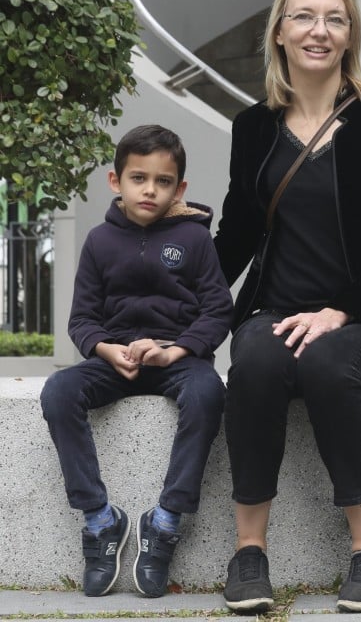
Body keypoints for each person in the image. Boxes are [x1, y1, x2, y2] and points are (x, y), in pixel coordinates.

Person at [213, 0, 361, 615]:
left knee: (329, 359)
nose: (320, 30)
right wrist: (181, 303)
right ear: (280, 32)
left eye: (334, 18)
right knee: (252, 357)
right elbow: (236, 236)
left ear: (349, 35)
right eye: (305, 17)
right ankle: (249, 551)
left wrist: (340, 311)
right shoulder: (254, 126)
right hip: (278, 316)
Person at [40, 124, 232, 598]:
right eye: (138, 178)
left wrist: (176, 349)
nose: (150, 190)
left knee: (209, 393)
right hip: (115, 360)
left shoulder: (194, 240)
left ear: (179, 188)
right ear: (115, 181)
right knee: (59, 391)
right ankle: (100, 520)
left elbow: (217, 311)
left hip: (176, 359)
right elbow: (82, 318)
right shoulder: (100, 242)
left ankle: (165, 521)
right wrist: (105, 348)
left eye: (163, 182)